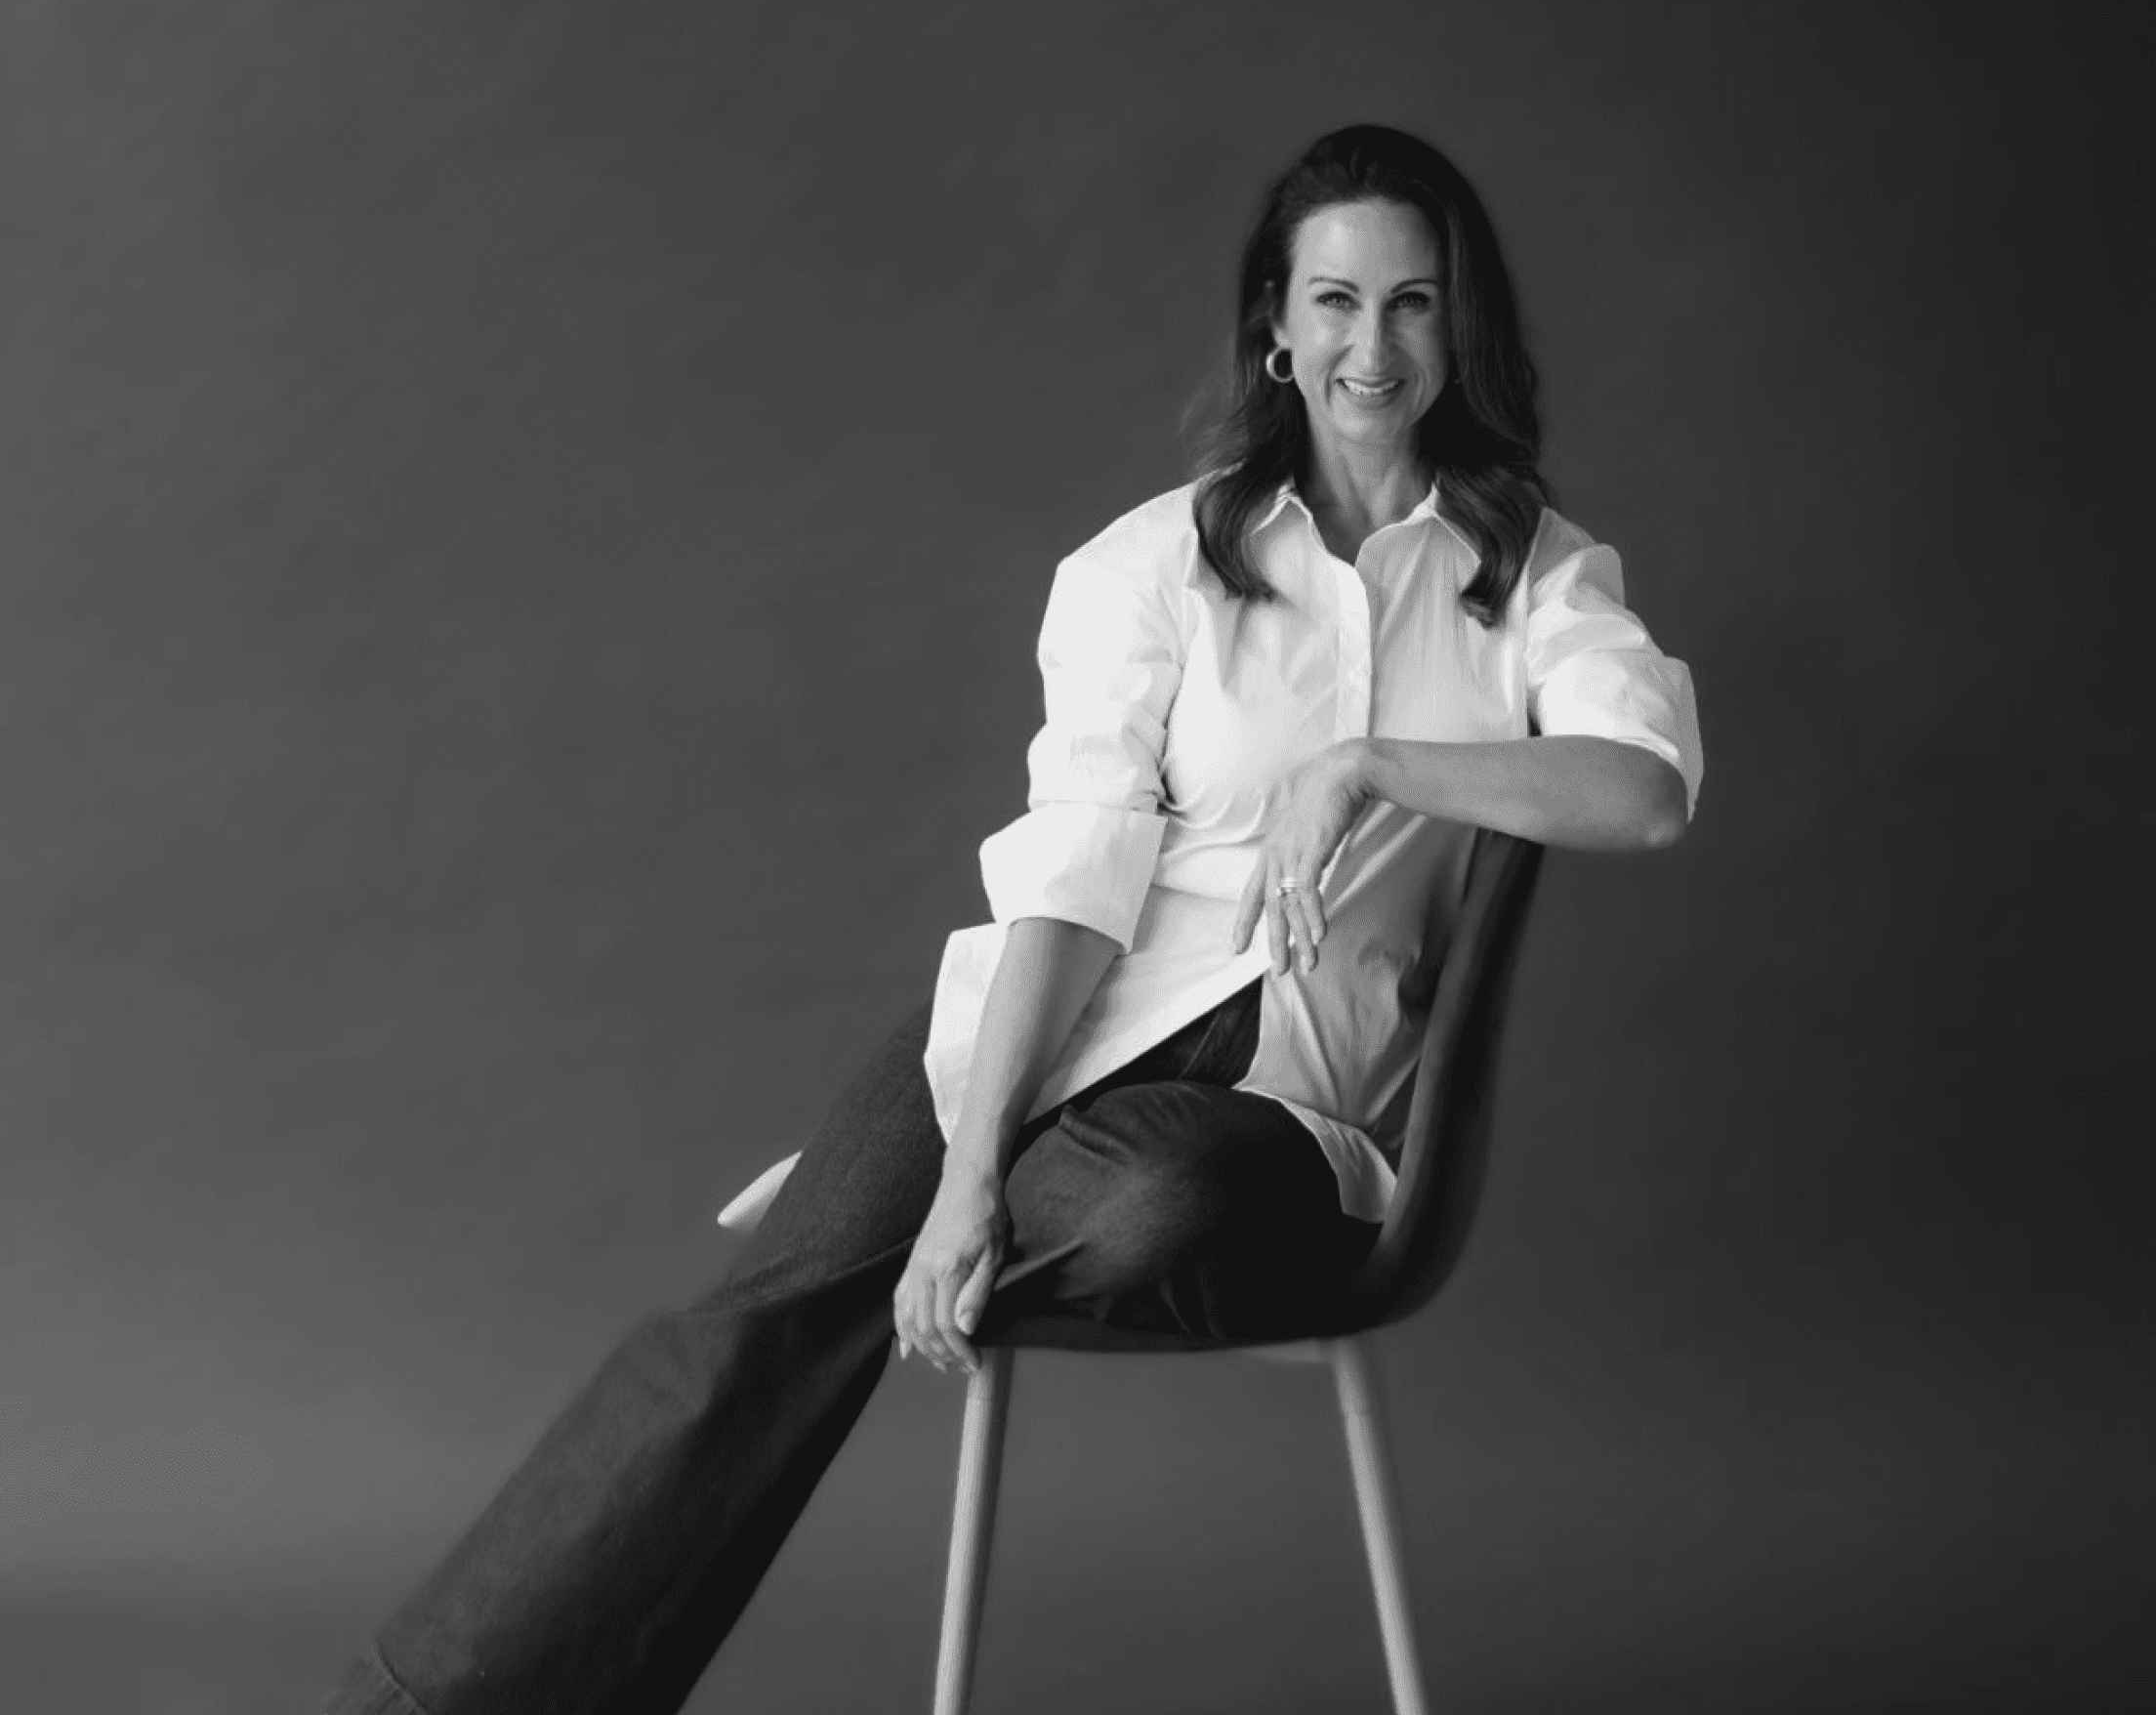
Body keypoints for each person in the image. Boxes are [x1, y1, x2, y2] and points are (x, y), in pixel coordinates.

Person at [321, 123, 1704, 1715]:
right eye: (1334, 303)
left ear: (1459, 324)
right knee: (756, 1336)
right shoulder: (1153, 568)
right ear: (1276, 322)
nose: (1369, 348)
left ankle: (870, 1220)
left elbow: (1645, 791)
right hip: (1022, 1045)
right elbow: (1074, 876)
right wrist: (968, 1168)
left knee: (1157, 1208)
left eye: (1409, 303)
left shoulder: (1534, 579)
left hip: (1264, 1111)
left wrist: (1380, 763)